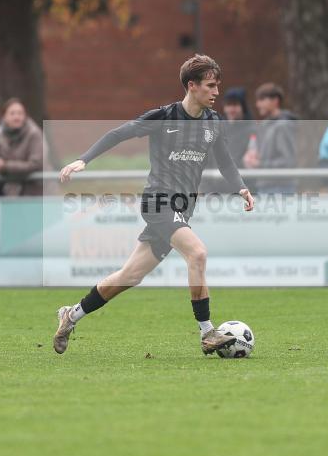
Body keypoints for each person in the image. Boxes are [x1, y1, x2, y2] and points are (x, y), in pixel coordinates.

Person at [55, 54, 255, 356]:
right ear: (192, 85)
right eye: (211, 86)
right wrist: (84, 159)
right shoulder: (164, 117)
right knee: (197, 253)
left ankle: (71, 316)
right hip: (158, 202)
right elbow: (117, 133)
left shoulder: (213, 124)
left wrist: (240, 186)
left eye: (218, 86)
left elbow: (225, 162)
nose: (217, 92)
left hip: (182, 209)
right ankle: (207, 332)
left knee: (129, 276)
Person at [242, 82, 298, 193]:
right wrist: (250, 158)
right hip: (264, 186)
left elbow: (288, 161)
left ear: (275, 101)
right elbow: (259, 153)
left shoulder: (283, 125)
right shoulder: (263, 125)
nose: (258, 104)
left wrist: (260, 164)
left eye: (262, 99)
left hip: (281, 188)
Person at [0, 98, 45, 196]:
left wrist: (4, 166)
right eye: (12, 113)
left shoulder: (34, 133)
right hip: (7, 192)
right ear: (4, 116)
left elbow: (35, 164)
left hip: (33, 192)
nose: (16, 117)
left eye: (20, 113)